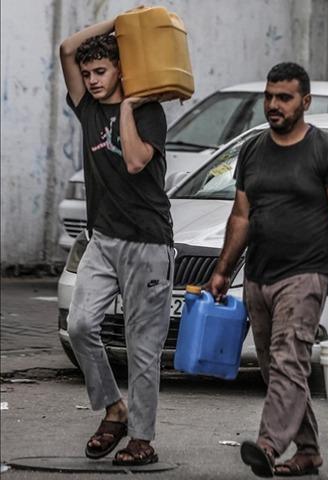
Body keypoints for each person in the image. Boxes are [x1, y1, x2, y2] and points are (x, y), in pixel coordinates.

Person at [206, 62, 328, 478]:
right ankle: (309, 450)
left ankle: (268, 444)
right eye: (269, 97)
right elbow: (241, 216)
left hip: (306, 274)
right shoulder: (254, 150)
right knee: (277, 367)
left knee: (288, 360)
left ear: (305, 102)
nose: (273, 105)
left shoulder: (327, 152)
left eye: (284, 98)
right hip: (258, 275)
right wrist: (223, 270)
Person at [59, 18, 172, 466]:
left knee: (142, 346)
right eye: (88, 75)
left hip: (148, 242)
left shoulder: (149, 112)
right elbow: (68, 48)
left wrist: (126, 109)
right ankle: (114, 408)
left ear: (121, 70)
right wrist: (122, 22)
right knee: (82, 326)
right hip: (102, 240)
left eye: (101, 72)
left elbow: (134, 162)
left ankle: (141, 438)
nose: (92, 81)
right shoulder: (86, 106)